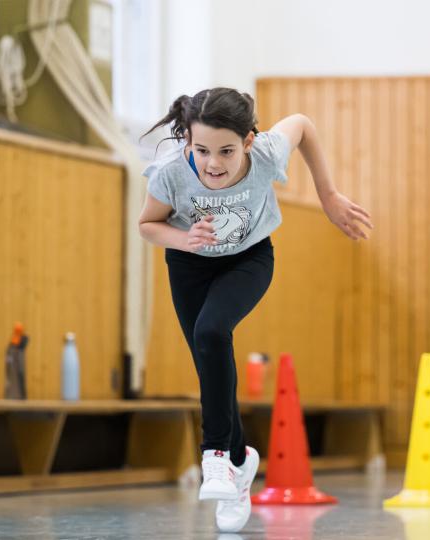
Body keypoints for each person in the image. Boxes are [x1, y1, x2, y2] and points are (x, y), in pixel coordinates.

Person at [138, 88, 372, 532]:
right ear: (188, 139)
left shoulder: (265, 154)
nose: (213, 163)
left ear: (247, 141)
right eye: (202, 150)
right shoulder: (170, 174)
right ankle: (241, 463)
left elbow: (301, 122)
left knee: (211, 332)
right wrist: (182, 239)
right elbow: (148, 225)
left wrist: (328, 195)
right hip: (189, 263)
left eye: (226, 151)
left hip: (248, 259)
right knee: (210, 360)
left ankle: (217, 456)